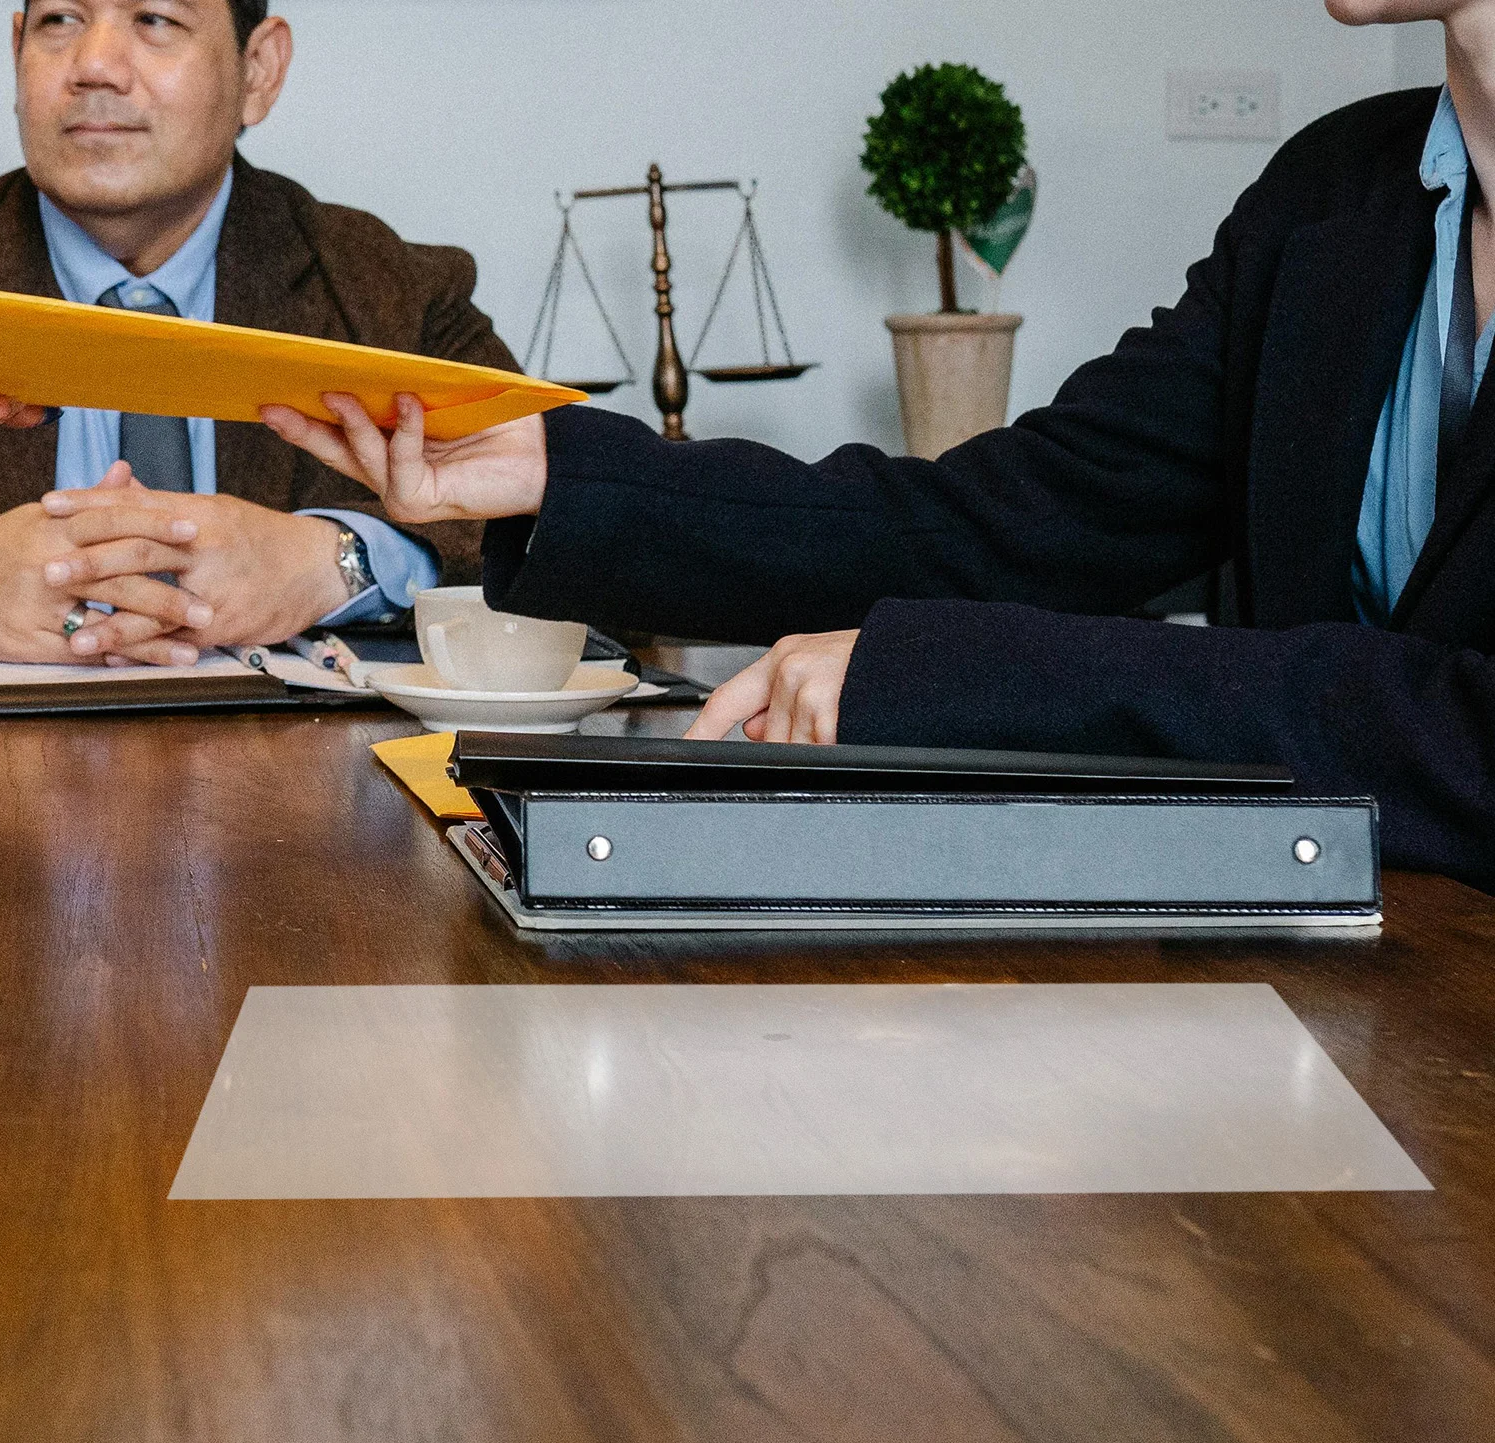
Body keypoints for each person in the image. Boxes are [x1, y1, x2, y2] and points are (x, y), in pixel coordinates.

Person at [256, 1, 1495, 891]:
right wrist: (561, 470)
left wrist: (956, 674)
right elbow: (1003, 525)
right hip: (1344, 1015)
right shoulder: (1334, 192)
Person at [0, 0, 515, 665]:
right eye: (60, 21)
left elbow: (545, 514)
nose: (94, 66)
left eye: (156, 19)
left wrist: (336, 559)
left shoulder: (392, 290)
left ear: (258, 69)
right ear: (17, 50)